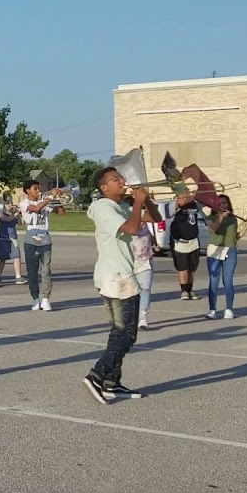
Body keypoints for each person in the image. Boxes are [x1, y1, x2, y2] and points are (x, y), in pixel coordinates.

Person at [83, 167, 158, 404]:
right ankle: (97, 374)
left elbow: (153, 219)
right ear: (104, 188)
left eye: (121, 178)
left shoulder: (120, 206)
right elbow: (132, 229)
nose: (122, 181)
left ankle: (112, 383)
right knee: (127, 334)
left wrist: (147, 201)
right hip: (118, 278)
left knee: (118, 332)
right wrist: (137, 203)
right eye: (116, 179)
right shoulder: (104, 208)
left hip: (119, 276)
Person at [18, 180, 56, 311]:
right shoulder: (24, 203)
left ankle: (45, 298)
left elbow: (60, 213)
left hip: (45, 238)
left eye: (38, 188)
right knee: (32, 271)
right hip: (31, 239)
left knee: (46, 270)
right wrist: (50, 197)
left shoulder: (44, 202)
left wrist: (58, 200)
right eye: (35, 188)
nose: (38, 191)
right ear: (28, 190)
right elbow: (36, 209)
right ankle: (35, 298)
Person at [205, 195, 241, 320]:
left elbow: (234, 236)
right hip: (215, 250)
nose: (222, 206)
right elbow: (214, 229)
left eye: (225, 203)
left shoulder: (233, 219)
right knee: (214, 281)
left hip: (230, 250)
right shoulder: (210, 218)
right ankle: (212, 309)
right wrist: (220, 217)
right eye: (219, 204)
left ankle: (229, 308)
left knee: (228, 281)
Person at [129, 201, 157, 331]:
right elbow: (136, 228)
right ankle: (131, 318)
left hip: (146, 259)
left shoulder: (144, 214)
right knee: (131, 291)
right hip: (131, 260)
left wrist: (155, 243)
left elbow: (152, 223)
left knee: (145, 289)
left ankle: (143, 319)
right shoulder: (130, 213)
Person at [169, 194, 202, 301]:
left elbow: (205, 200)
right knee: (182, 267)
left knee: (192, 267)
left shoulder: (194, 204)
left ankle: (190, 289)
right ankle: (184, 290)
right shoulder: (175, 206)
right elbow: (170, 211)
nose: (186, 197)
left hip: (193, 240)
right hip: (180, 241)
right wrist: (178, 202)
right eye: (183, 196)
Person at [0, 200, 21, 285]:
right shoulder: (0, 213)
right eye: (8, 204)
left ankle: (18, 276)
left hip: (13, 238)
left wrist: (19, 216)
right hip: (3, 238)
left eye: (11, 203)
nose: (10, 205)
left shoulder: (13, 214)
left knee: (17, 256)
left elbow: (21, 223)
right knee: (2, 259)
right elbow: (7, 219)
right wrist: (15, 214)